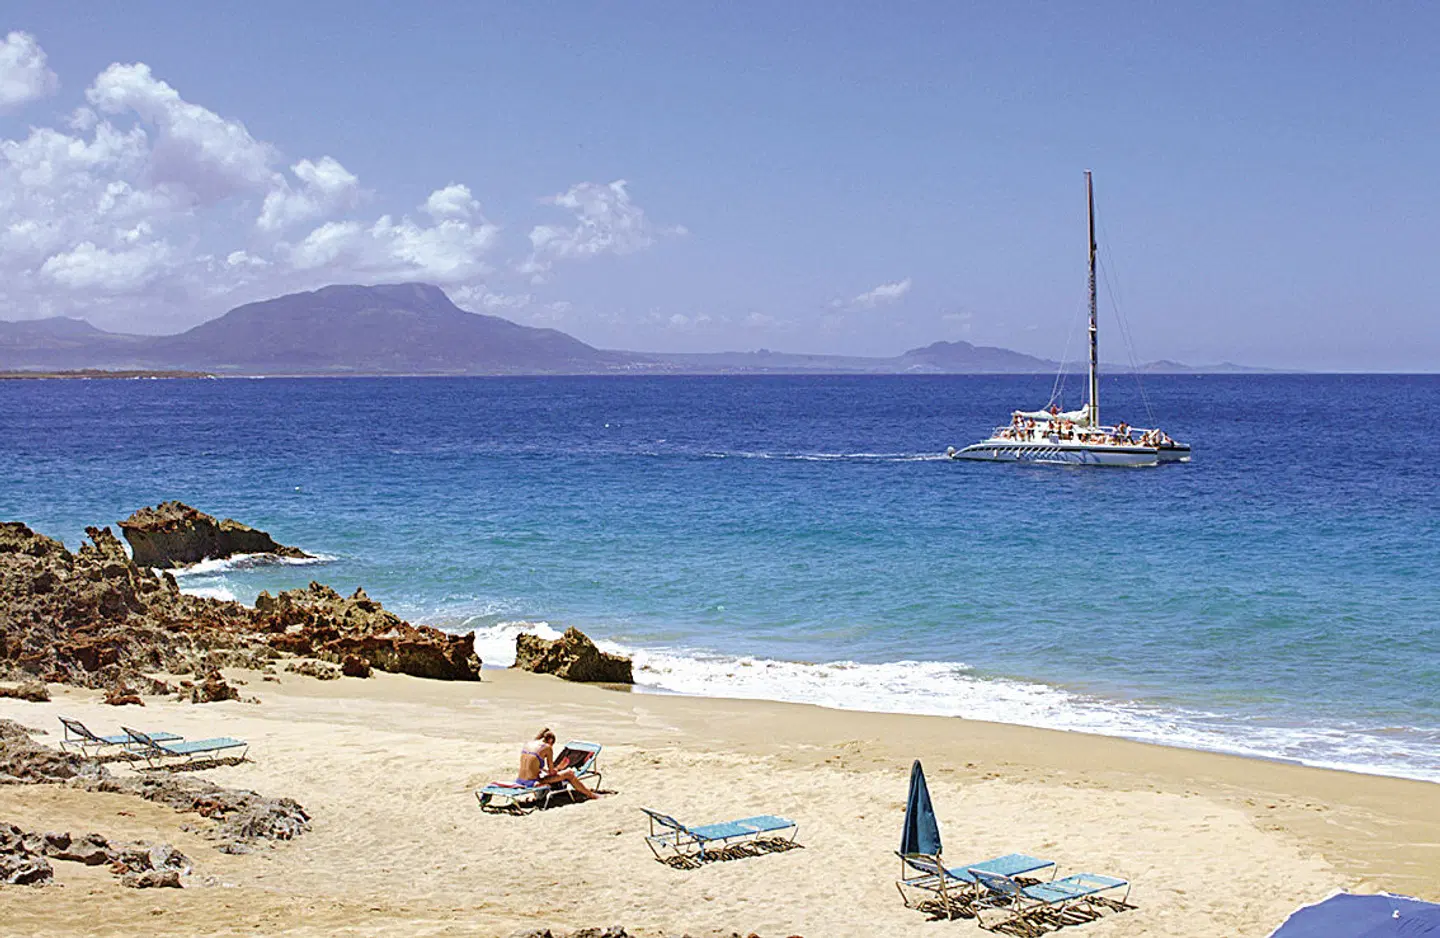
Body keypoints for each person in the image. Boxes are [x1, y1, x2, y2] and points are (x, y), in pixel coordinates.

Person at [517, 728, 600, 800]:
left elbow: (532, 767)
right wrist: (560, 767)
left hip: (520, 781)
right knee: (569, 774)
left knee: (558, 773)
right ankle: (591, 795)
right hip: (533, 783)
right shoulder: (547, 747)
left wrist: (544, 770)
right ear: (550, 741)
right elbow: (552, 772)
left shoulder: (529, 744)